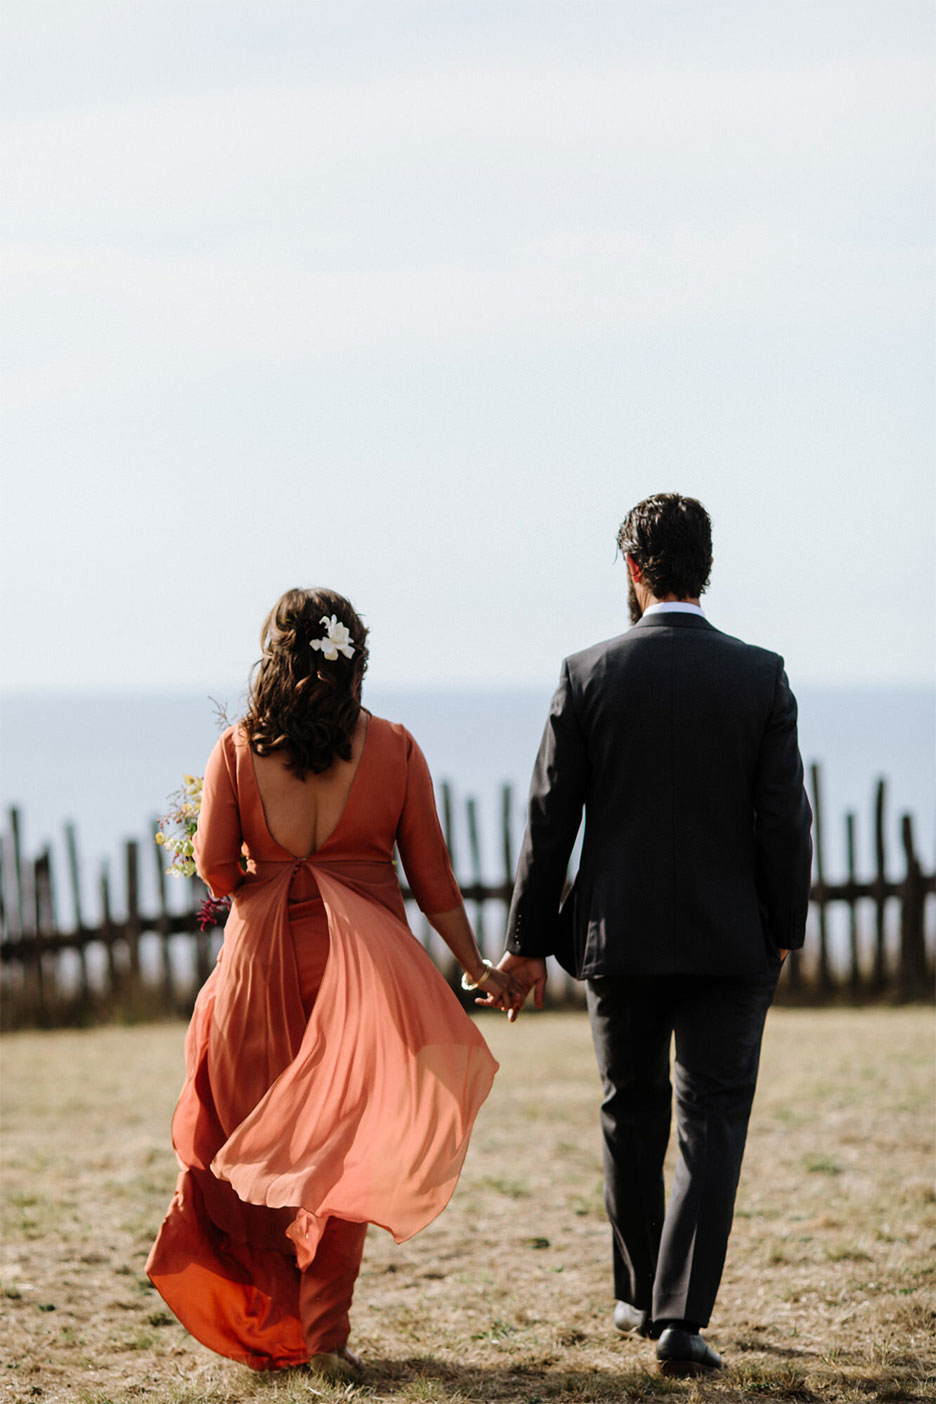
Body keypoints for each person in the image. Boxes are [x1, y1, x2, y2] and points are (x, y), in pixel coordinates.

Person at [147, 587, 518, 1378]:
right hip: (367, 975)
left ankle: (274, 1320)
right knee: (347, 1146)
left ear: (277, 657)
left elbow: (217, 871)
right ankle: (326, 1337)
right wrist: (476, 965)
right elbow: (435, 881)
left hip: (260, 965)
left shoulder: (238, 749)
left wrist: (242, 857)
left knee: (260, 1139)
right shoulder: (394, 748)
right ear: (355, 657)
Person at [491, 494, 812, 1377]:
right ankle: (677, 1316)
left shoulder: (587, 672)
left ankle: (638, 1292)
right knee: (712, 1122)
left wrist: (525, 941)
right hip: (730, 940)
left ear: (633, 572)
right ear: (705, 568)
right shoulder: (760, 675)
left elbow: (549, 820)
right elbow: (785, 820)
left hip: (617, 935)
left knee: (628, 1110)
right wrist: (783, 926)